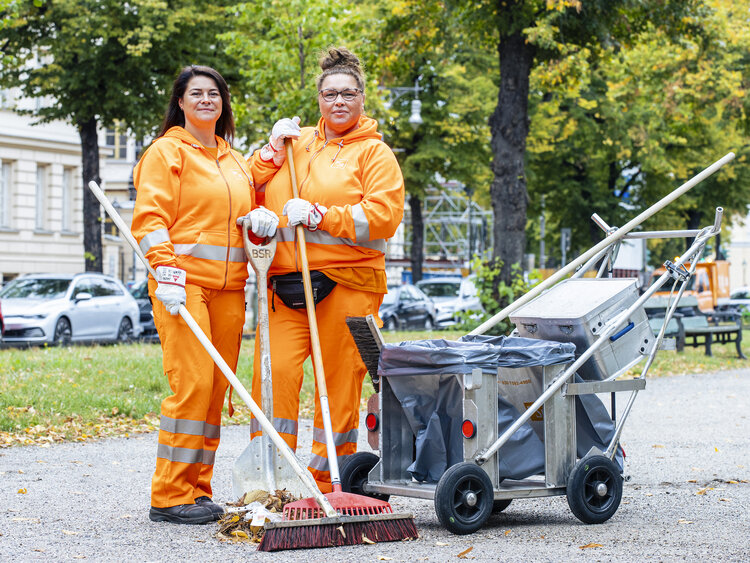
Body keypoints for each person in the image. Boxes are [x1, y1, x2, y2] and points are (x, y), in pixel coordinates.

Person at [249, 47, 405, 492]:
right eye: (329, 93)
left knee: (337, 385)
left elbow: (383, 216)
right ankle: (272, 479)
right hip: (284, 286)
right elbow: (247, 185)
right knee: (274, 377)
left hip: (348, 284)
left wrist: (321, 215)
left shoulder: (374, 155)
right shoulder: (297, 146)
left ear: (362, 98)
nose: (338, 101)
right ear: (318, 98)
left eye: (348, 93)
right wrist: (268, 152)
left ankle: (324, 482)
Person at [131, 65, 278, 525]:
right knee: (192, 384)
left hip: (231, 288)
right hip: (183, 285)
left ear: (223, 103)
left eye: (214, 94)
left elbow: (249, 199)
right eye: (196, 93)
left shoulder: (232, 159)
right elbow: (150, 216)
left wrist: (260, 216)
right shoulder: (167, 152)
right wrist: (164, 265)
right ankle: (169, 493)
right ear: (180, 101)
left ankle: (196, 489)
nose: (206, 100)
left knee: (215, 389)